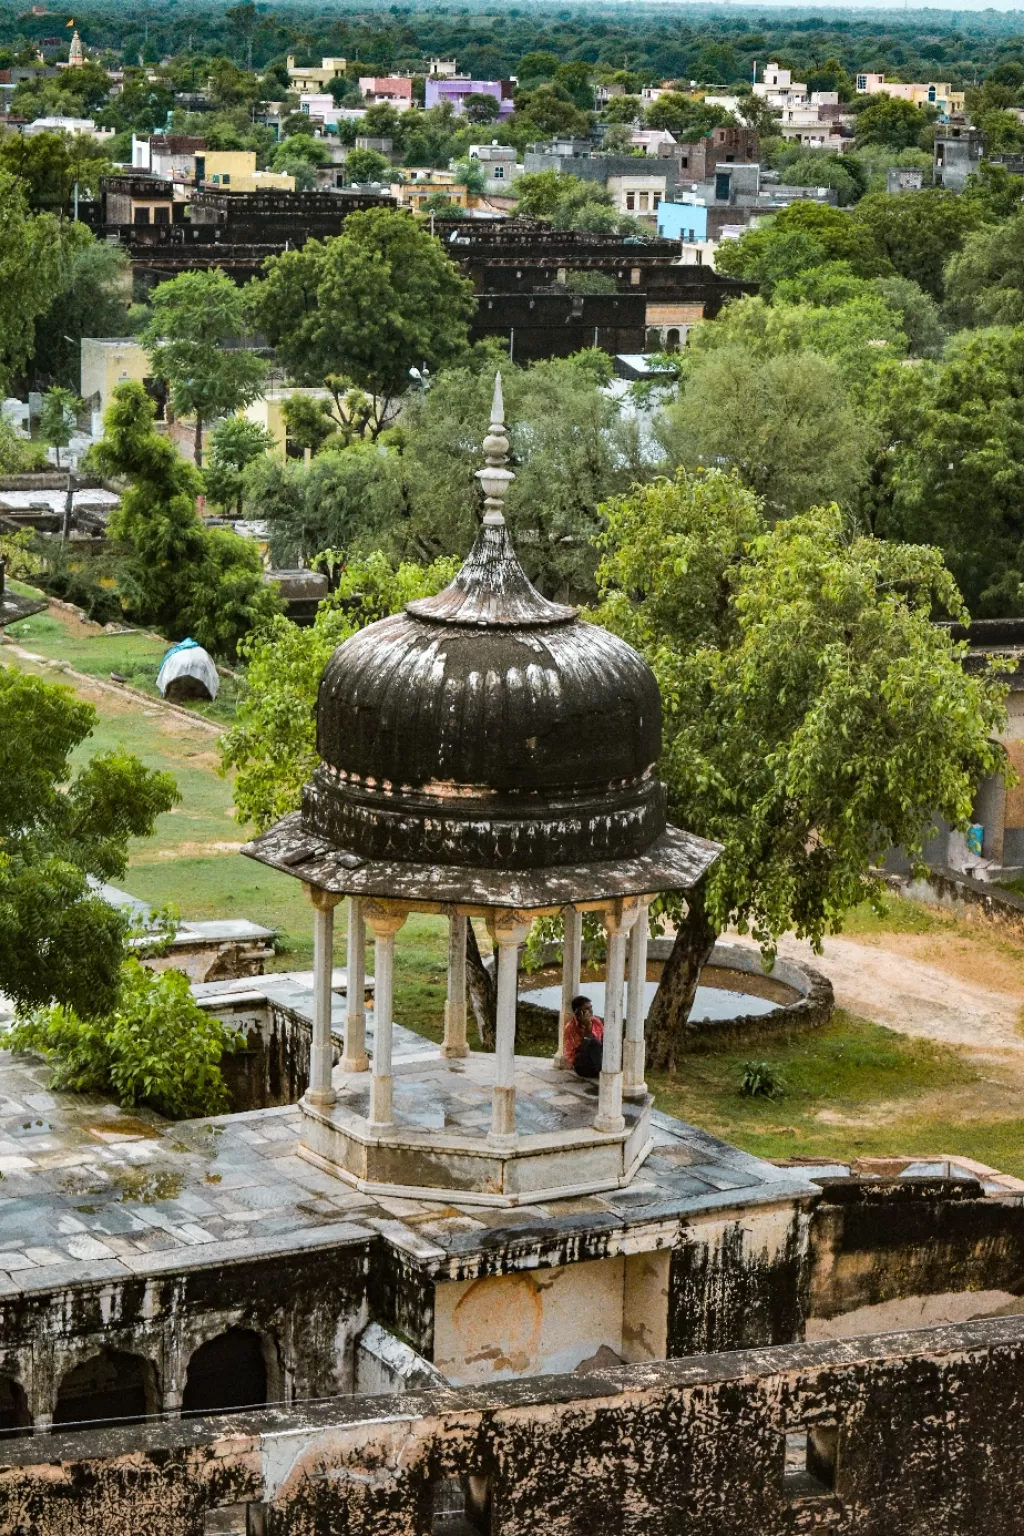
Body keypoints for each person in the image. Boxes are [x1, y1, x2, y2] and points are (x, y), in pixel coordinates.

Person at [563, 994, 603, 1079]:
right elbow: (580, 1051)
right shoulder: (570, 1027)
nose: (591, 1011)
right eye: (587, 1009)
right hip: (582, 1065)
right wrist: (587, 1028)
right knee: (594, 1042)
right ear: (578, 1012)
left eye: (591, 1007)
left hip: (597, 1060)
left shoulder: (596, 1022)